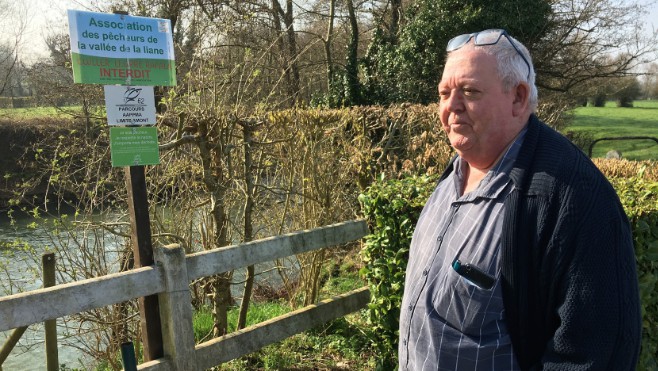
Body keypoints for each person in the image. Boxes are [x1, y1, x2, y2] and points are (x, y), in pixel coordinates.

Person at [398, 29, 641, 370]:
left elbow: (592, 356)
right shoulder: (457, 167)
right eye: (443, 93)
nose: (450, 107)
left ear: (518, 98)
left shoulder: (575, 198)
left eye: (469, 91)